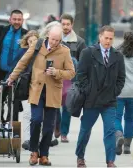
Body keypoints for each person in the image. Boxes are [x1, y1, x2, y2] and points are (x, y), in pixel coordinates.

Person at [7, 24, 75, 166]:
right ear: (48, 35)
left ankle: (44, 154)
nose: (54, 42)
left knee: (49, 126)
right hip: (36, 90)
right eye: (52, 39)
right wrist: (11, 78)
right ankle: (34, 152)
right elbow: (23, 61)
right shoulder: (38, 45)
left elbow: (71, 72)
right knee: (36, 120)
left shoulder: (64, 51)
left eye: (58, 40)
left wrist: (57, 72)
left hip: (53, 92)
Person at [75, 25, 125, 167]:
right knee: (85, 130)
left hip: (109, 101)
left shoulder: (117, 56)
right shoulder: (87, 53)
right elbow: (80, 75)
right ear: (100, 37)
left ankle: (110, 161)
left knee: (110, 131)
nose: (108, 41)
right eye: (106, 38)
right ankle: (80, 157)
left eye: (111, 38)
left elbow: (121, 78)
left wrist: (115, 91)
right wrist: (88, 90)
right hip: (91, 100)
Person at [0, 9, 28, 122]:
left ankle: (11, 124)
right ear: (10, 19)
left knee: (14, 100)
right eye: (14, 19)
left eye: (19, 19)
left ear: (22, 20)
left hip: (16, 73)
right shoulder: (0, 30)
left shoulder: (26, 34)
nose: (17, 22)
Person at [53, 13, 86, 144]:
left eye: (68, 24)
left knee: (67, 106)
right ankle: (57, 126)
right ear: (59, 24)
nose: (65, 27)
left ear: (72, 25)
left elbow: (83, 62)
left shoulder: (79, 42)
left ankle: (64, 133)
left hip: (70, 79)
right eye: (63, 24)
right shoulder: (54, 38)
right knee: (54, 104)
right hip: (54, 76)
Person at [14, 30, 40, 150]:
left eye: (35, 41)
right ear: (26, 42)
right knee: (27, 113)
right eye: (30, 41)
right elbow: (16, 67)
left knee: (37, 115)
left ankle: (36, 138)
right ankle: (27, 139)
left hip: (38, 87)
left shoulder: (41, 53)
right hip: (25, 86)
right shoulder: (22, 53)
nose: (32, 43)